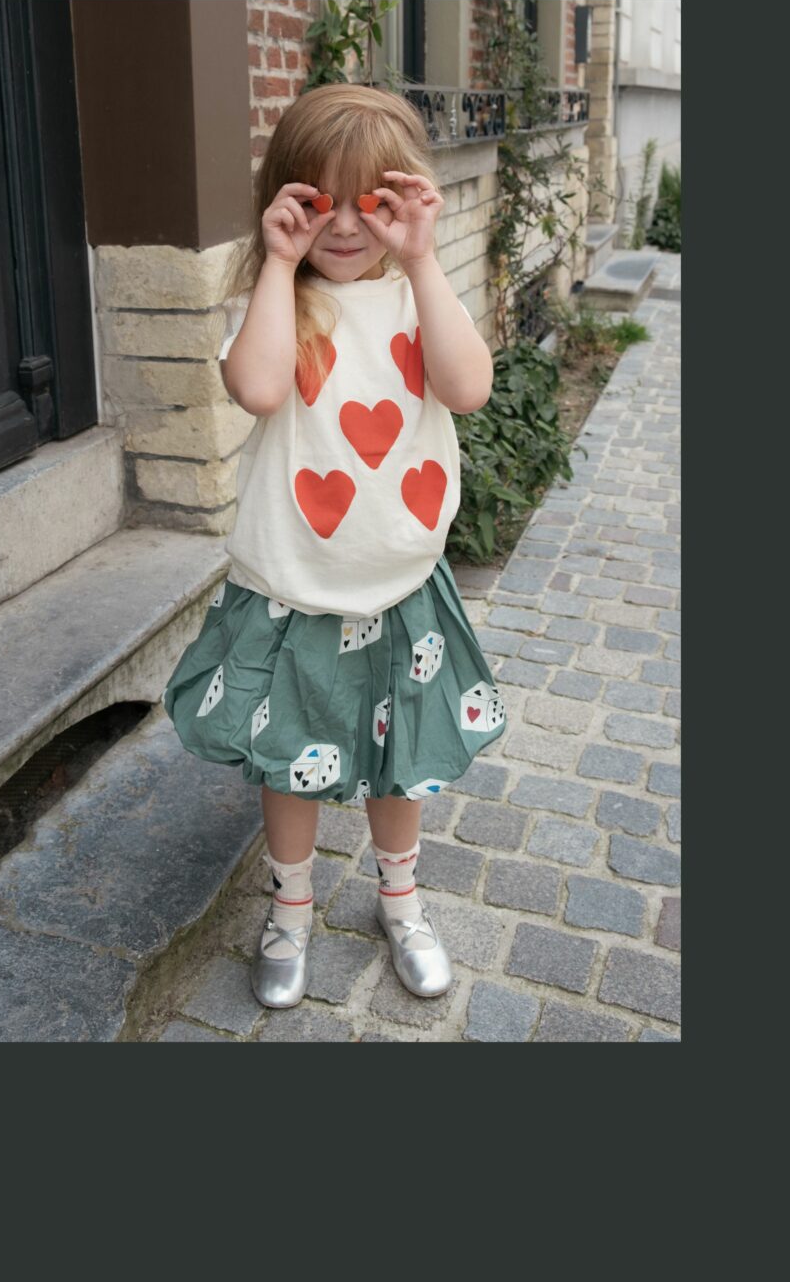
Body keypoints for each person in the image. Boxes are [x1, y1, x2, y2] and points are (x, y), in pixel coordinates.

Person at [161, 83, 503, 1013]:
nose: (346, 225)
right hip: (294, 587)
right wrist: (278, 263)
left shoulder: (416, 299)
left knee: (404, 757)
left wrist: (422, 258)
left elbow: (467, 387)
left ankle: (402, 898)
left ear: (406, 199)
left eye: (370, 200)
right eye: (321, 200)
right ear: (284, 197)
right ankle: (290, 909)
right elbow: (260, 387)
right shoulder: (281, 302)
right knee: (292, 760)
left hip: (401, 584)